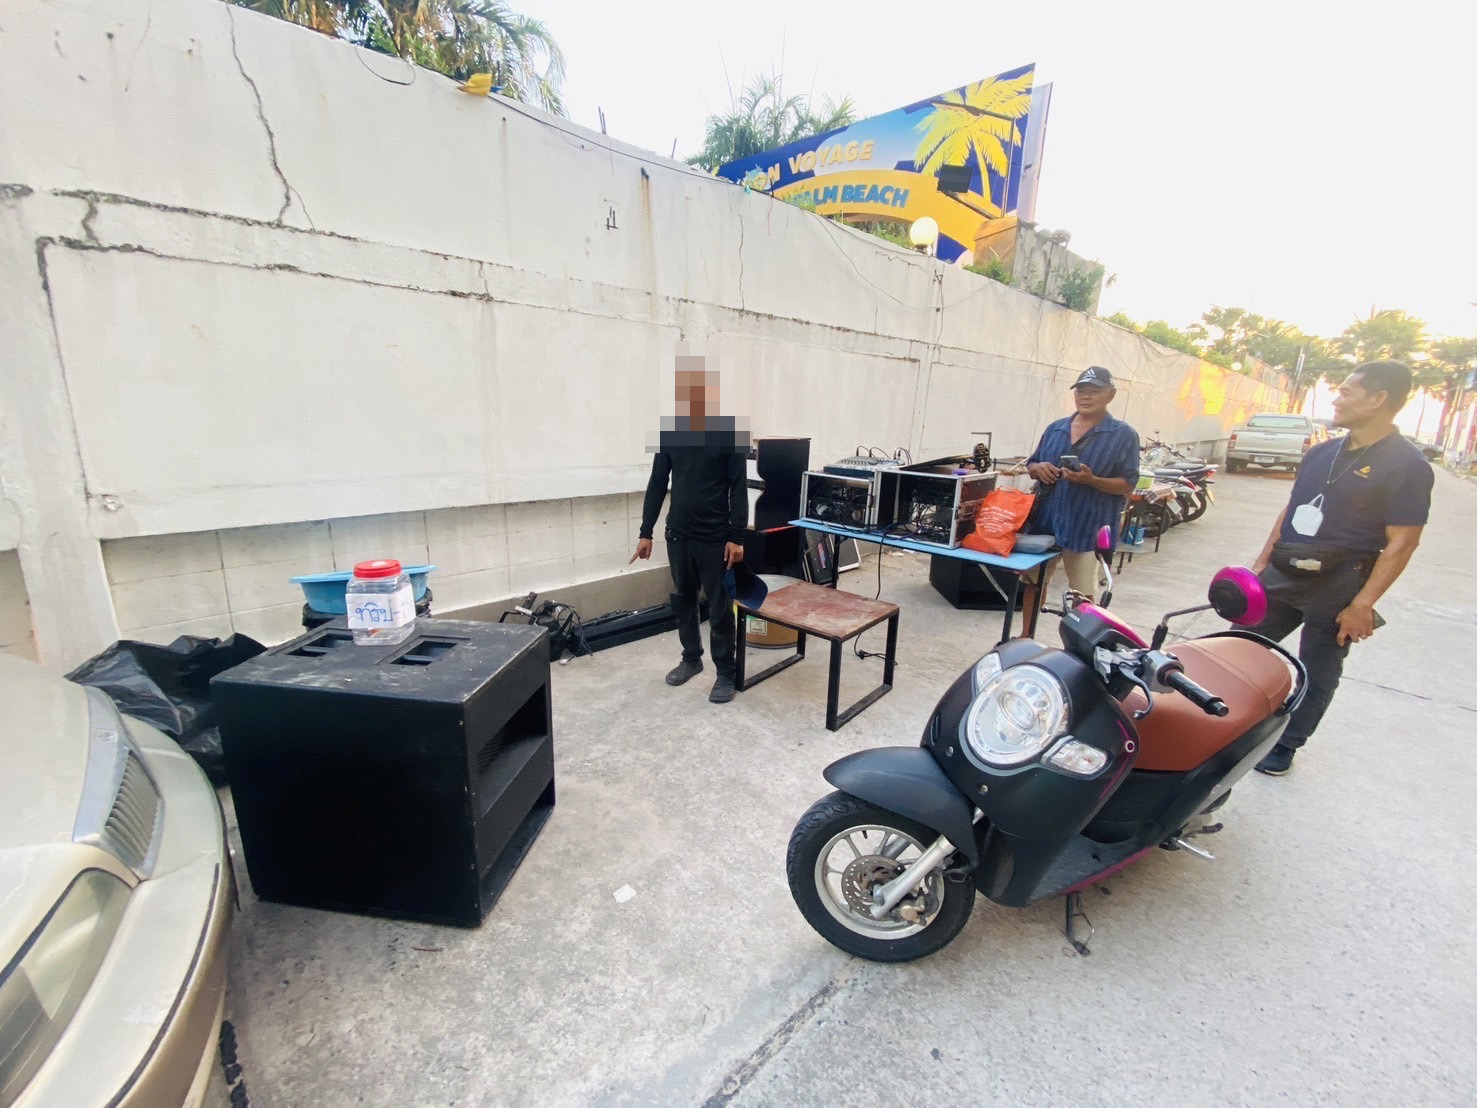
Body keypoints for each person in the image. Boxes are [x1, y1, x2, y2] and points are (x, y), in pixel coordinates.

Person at [1247, 360, 1432, 776]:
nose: (1336, 399)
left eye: (1347, 391)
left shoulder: (1407, 464)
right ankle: (1231, 720)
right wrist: (1262, 563)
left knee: (1318, 667)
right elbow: (1291, 510)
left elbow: (1403, 541)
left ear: (1378, 399)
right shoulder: (1321, 452)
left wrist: (1362, 603)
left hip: (1340, 581)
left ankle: (1287, 743)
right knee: (1240, 645)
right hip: (1284, 569)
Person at [631, 363, 749, 704]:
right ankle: (691, 659)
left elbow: (739, 487)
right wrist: (646, 532)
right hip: (679, 535)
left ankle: (725, 672)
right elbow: (657, 484)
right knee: (684, 599)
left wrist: (737, 537)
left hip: (716, 538)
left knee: (720, 608)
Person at [1024, 366, 1142, 598]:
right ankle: (1028, 623)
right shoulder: (1056, 428)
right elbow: (1032, 463)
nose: (1086, 397)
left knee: (1083, 594)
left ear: (1110, 395)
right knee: (1033, 584)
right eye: (1081, 391)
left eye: (1094, 391)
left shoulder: (1124, 435)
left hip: (1087, 527)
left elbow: (1128, 483)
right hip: (1045, 522)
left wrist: (1092, 480)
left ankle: (1079, 624)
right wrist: (1039, 469)